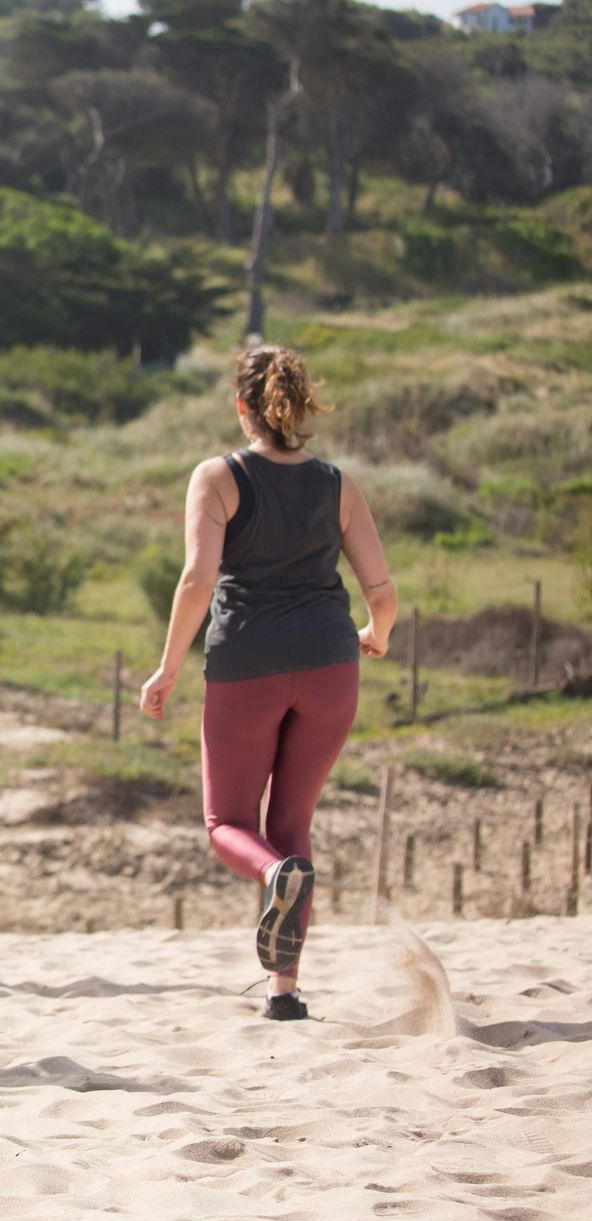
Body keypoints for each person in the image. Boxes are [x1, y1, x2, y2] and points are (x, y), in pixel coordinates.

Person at [140, 346, 395, 1022]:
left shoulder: (218, 477)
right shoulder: (338, 483)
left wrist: (167, 668)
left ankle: (272, 876)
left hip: (248, 663)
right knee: (292, 824)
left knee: (229, 824)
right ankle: (286, 992)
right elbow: (382, 587)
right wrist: (380, 632)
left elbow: (197, 581)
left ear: (241, 406)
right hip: (331, 664)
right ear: (304, 406)